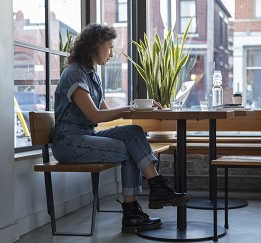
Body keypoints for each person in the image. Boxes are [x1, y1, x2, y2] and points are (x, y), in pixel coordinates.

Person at [51, 24, 190, 232]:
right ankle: (134, 210)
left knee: (133, 132)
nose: (111, 51)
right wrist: (129, 108)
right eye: (109, 46)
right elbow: (94, 115)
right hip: (68, 142)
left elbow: (105, 113)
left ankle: (154, 190)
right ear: (95, 46)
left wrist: (142, 109)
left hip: (85, 136)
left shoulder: (92, 75)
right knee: (128, 151)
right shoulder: (74, 74)